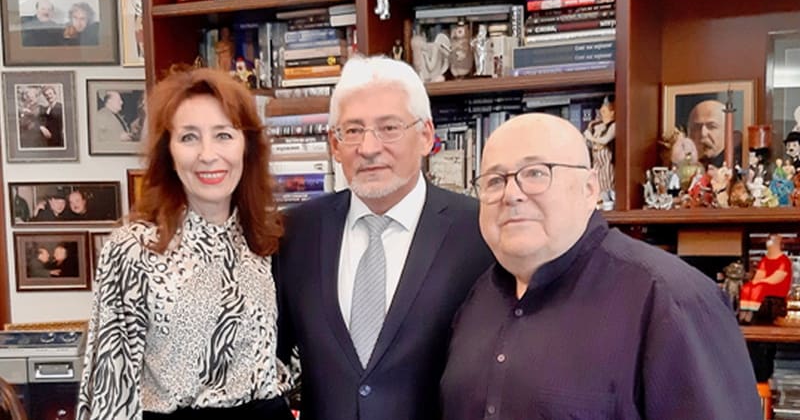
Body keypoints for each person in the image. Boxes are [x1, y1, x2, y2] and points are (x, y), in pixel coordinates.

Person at [440, 113, 761, 419]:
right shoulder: (476, 299)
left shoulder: (672, 299)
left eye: (536, 173)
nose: (511, 194)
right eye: (495, 181)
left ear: (590, 188)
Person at [273, 55, 493, 420]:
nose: (369, 147)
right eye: (352, 130)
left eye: (389, 128)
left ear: (426, 136)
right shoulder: (294, 233)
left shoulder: (480, 231)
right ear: (334, 144)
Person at [78, 67, 295, 420]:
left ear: (247, 146)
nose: (208, 154)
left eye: (223, 135)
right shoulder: (134, 249)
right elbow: (111, 387)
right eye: (189, 137)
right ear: (169, 151)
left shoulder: (267, 241)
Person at [739, 234, 793, 324]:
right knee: (747, 287)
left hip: (777, 287)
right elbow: (761, 273)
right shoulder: (765, 260)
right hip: (764, 283)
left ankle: (752, 313)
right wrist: (756, 281)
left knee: (759, 288)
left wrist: (761, 282)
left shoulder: (784, 260)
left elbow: (777, 277)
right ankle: (744, 312)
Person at [583, 94, 615, 208]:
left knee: (607, 183)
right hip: (596, 161)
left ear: (612, 113)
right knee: (595, 181)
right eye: (601, 110)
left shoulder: (614, 126)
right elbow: (588, 142)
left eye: (605, 110)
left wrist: (590, 137)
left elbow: (604, 140)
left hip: (607, 161)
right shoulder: (597, 126)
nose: (602, 112)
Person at [688, 99, 739, 168]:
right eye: (697, 127)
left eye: (711, 126)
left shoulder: (739, 163)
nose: (703, 133)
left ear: (727, 131)